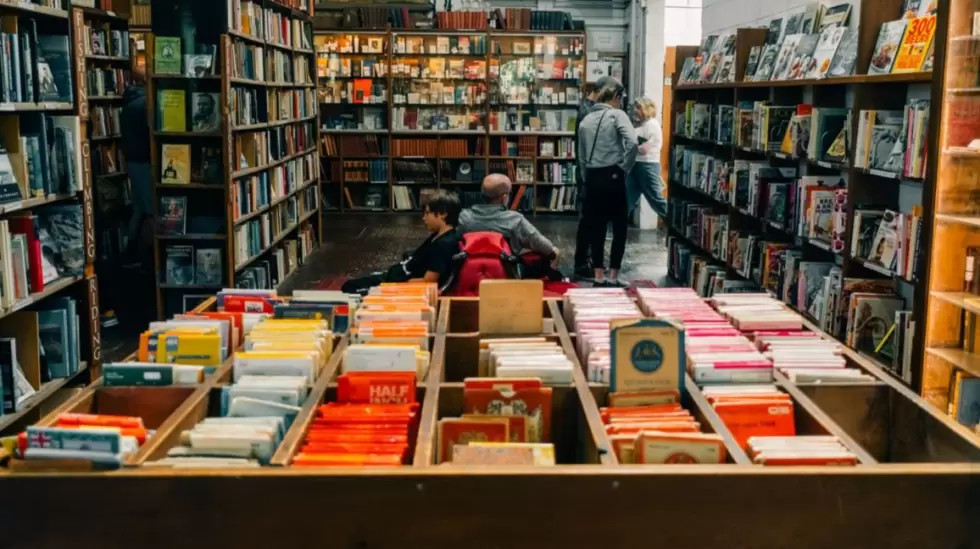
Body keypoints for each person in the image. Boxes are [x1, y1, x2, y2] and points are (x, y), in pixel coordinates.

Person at [577, 78, 638, 288]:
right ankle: (613, 276)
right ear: (616, 97)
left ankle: (598, 276)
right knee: (619, 227)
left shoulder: (586, 120)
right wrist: (624, 167)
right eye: (622, 99)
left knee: (597, 227)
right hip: (613, 175)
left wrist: (587, 177)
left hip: (592, 177)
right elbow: (632, 142)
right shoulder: (617, 115)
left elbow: (581, 157)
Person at [341, 190, 462, 294]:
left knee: (349, 288)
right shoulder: (438, 235)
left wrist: (400, 285)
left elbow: (429, 281)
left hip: (397, 283)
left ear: (443, 214)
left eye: (427, 213)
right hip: (395, 274)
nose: (423, 218)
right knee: (355, 283)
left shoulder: (444, 244)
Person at [458, 173, 559, 263]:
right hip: (506, 273)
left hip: (470, 273)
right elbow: (546, 247)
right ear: (504, 197)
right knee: (555, 251)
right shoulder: (515, 220)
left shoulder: (463, 217)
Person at [572, 76, 612, 280]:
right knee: (590, 220)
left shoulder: (587, 109)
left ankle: (586, 261)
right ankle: (583, 263)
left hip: (589, 172)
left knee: (590, 219)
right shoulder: (589, 112)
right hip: (591, 173)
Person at [120, 60, 150, 265]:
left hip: (132, 161)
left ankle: (130, 251)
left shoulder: (128, 105)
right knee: (152, 211)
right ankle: (149, 256)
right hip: (146, 162)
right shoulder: (145, 105)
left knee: (139, 208)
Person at [628, 97, 668, 218]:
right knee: (625, 199)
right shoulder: (643, 124)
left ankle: (674, 223)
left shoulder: (651, 125)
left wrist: (631, 146)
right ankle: (615, 230)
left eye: (639, 107)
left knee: (657, 200)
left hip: (647, 166)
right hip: (637, 165)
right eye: (635, 107)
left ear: (648, 109)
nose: (636, 110)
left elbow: (644, 149)